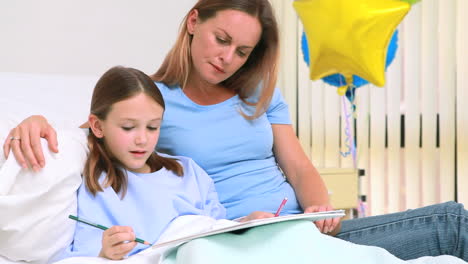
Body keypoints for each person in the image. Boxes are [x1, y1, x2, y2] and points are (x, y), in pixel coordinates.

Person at [3, 0, 467, 261]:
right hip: (242, 240)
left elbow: (298, 164)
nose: (228, 59)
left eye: (243, 51)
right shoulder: (156, 102)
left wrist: (320, 208)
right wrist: (35, 121)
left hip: (300, 227)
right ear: (192, 23)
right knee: (452, 225)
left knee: (453, 223)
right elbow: (100, 126)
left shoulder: (259, 91)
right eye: (221, 40)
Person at [57, 66, 272, 260]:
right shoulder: (98, 186)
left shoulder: (188, 172)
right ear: (97, 126)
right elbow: (82, 255)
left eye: (152, 127)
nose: (142, 139)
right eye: (128, 127)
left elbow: (218, 231)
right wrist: (106, 252)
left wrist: (245, 224)